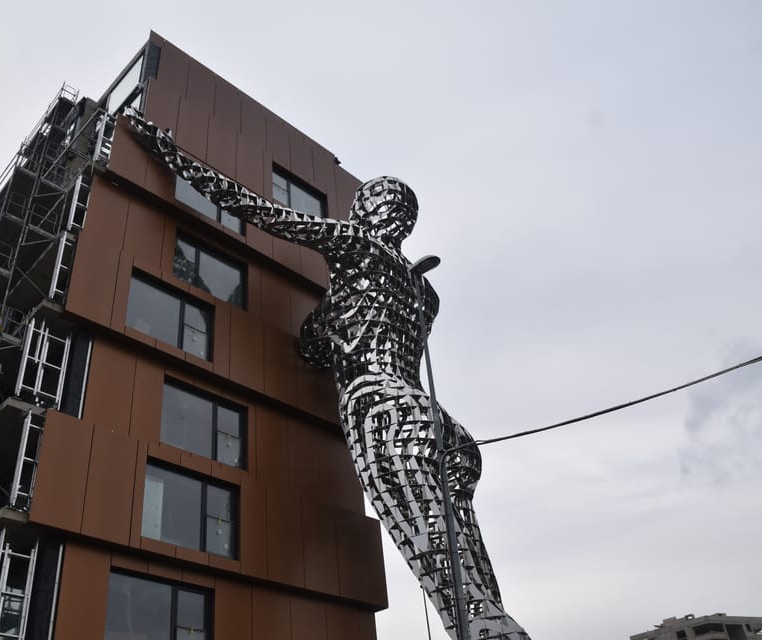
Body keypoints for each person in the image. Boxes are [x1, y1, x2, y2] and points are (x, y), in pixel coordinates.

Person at [124, 108, 530, 640]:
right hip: (442, 427)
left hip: (381, 408)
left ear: (367, 210)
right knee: (468, 572)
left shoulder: (356, 245)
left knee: (451, 586)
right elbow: (325, 338)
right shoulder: (424, 295)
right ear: (406, 222)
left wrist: (169, 152)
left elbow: (254, 209)